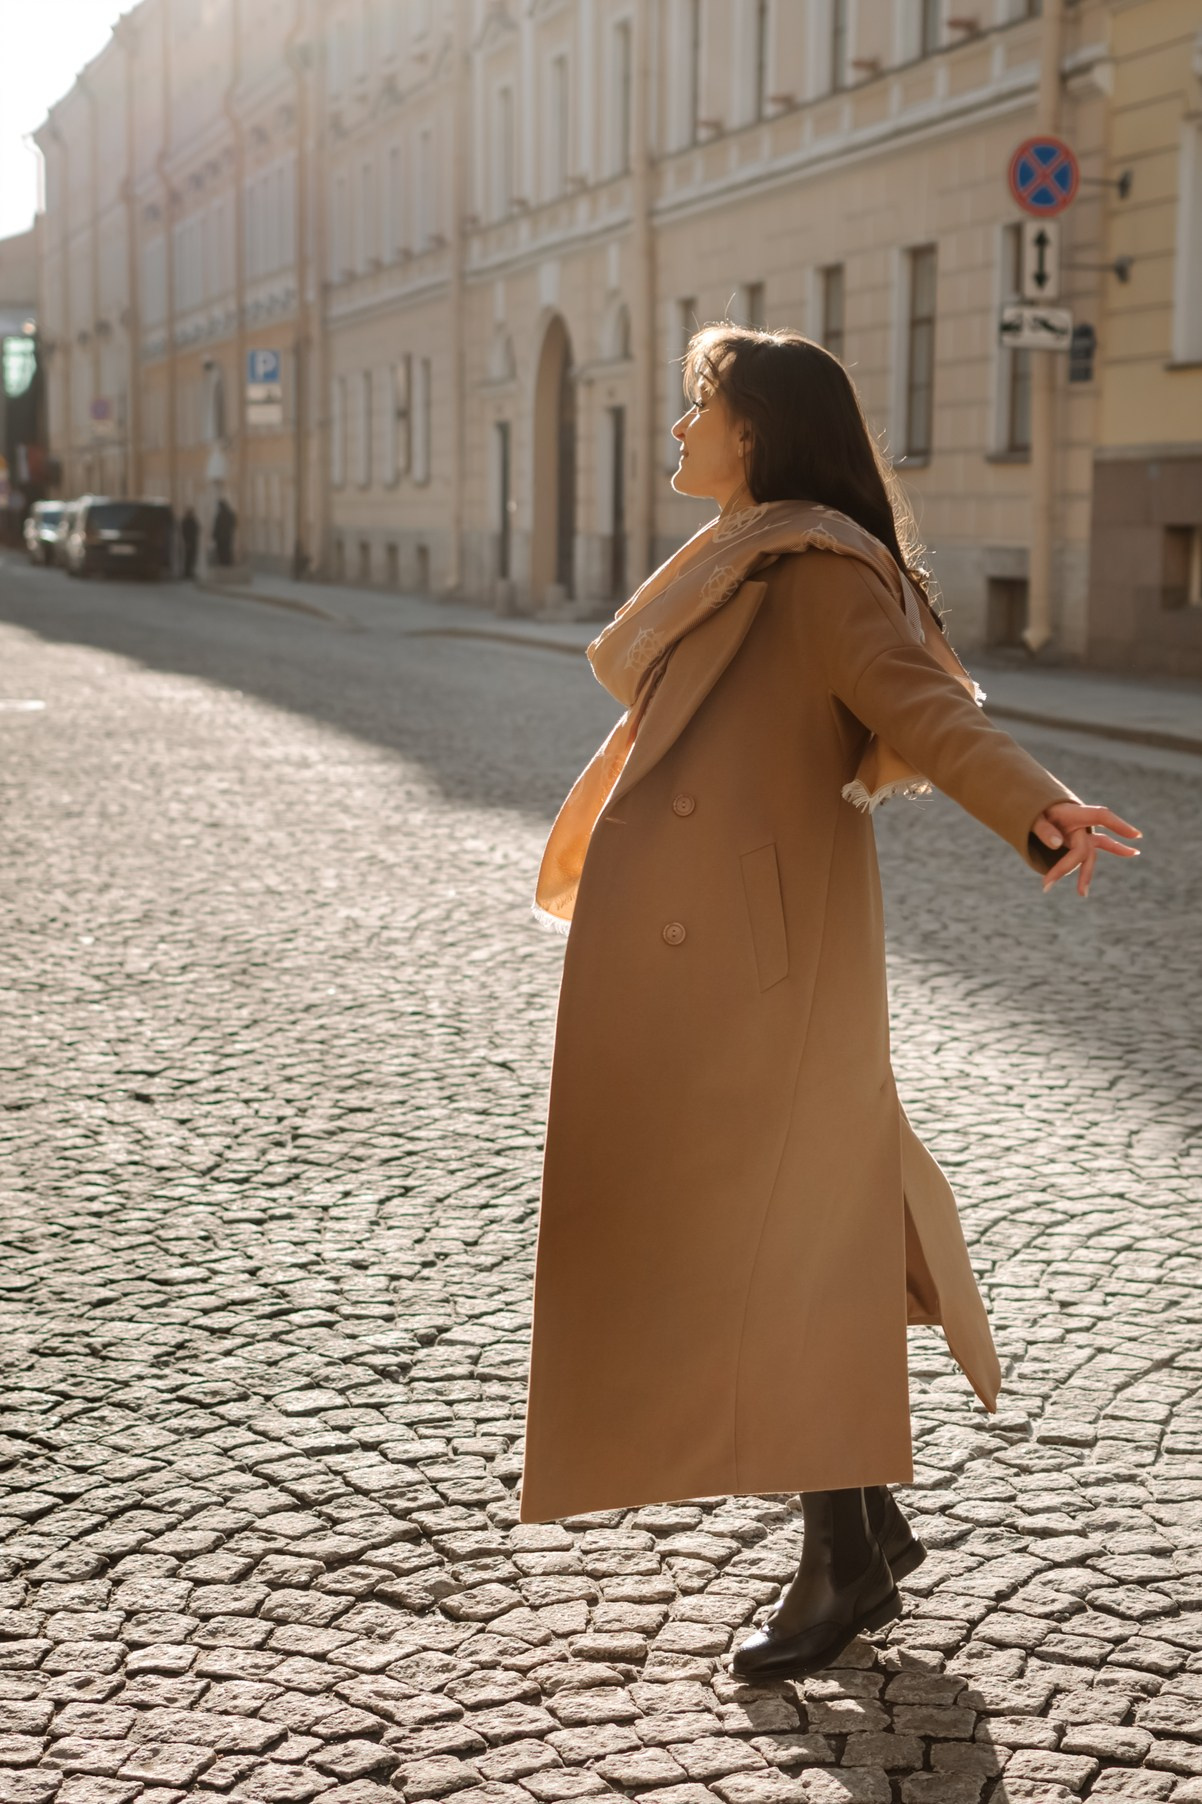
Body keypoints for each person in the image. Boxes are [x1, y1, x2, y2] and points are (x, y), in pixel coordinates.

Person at [519, 325, 1142, 1681]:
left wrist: (1037, 810)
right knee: (790, 1238)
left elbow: (922, 708)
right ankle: (860, 1539)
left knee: (788, 1250)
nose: (682, 429)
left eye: (702, 408)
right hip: (736, 961)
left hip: (766, 970)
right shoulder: (745, 558)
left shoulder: (811, 572)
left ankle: (838, 1566)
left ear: (757, 432)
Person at [212, 496, 236, 567]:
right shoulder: (230, 514)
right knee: (227, 549)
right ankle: (227, 561)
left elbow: (217, 526)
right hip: (227, 536)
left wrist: (214, 534)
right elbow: (233, 524)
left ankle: (223, 561)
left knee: (222, 549)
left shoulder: (220, 515)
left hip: (221, 536)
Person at [180, 505, 199, 579]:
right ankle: (187, 572)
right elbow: (185, 532)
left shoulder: (192, 520)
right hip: (189, 541)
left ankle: (190, 572)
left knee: (192, 557)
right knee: (188, 558)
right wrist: (187, 542)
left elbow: (197, 529)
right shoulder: (186, 521)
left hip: (193, 541)